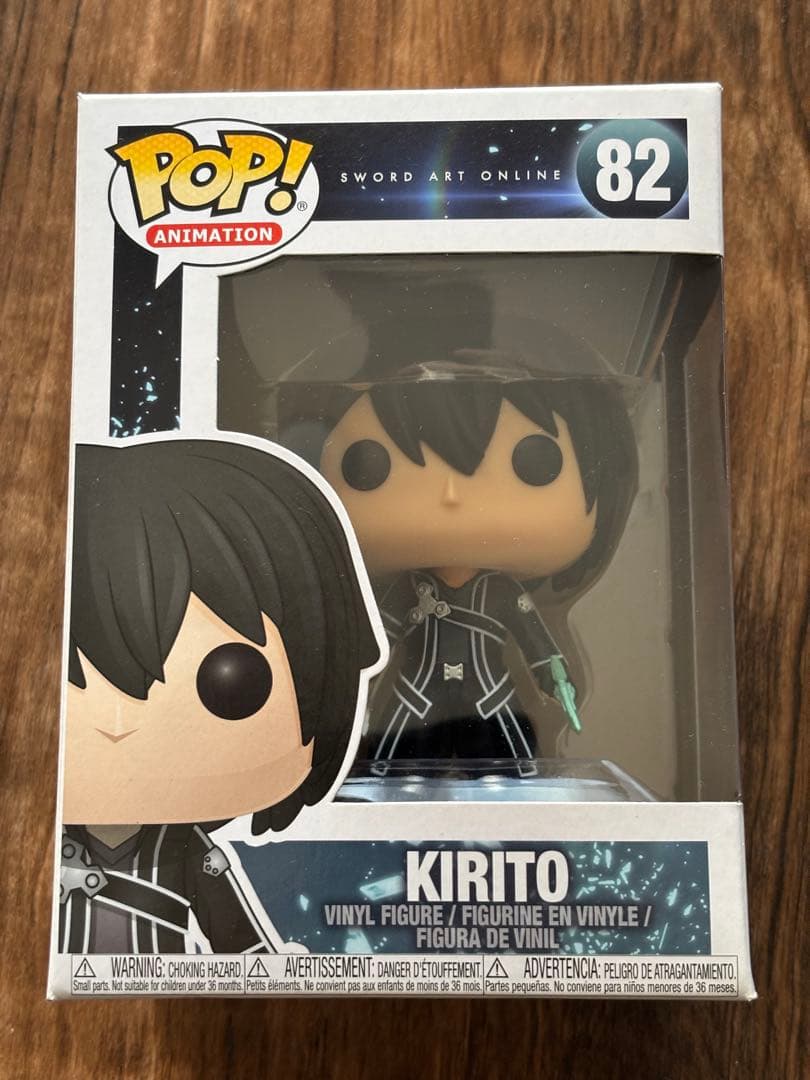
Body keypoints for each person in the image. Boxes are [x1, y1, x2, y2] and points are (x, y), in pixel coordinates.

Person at [59, 438, 382, 953]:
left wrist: (266, 969)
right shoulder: (39, 839)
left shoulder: (186, 849)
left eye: (231, 683)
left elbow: (238, 941)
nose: (117, 725)